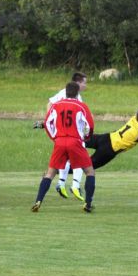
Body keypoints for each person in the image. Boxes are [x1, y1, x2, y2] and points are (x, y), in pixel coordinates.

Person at [31, 82, 96, 213]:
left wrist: (54, 137)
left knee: (50, 173)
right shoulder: (81, 106)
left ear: (65, 92)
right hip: (75, 141)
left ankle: (38, 201)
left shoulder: (56, 105)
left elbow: (48, 123)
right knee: (90, 172)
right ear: (77, 93)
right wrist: (86, 137)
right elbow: (90, 125)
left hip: (60, 141)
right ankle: (88, 203)